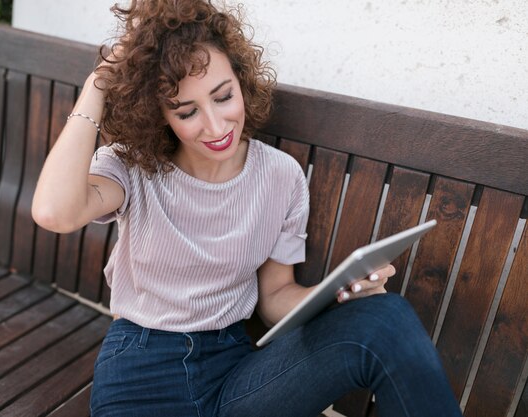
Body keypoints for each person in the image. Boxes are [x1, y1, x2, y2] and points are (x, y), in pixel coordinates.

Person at [31, 1, 463, 416]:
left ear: (241, 79)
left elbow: (275, 295)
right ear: (158, 112)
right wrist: (99, 84)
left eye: (223, 96)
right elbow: (55, 212)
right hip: (143, 365)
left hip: (236, 371)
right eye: (186, 111)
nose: (216, 127)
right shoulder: (132, 167)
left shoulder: (280, 176)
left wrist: (338, 295)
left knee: (383, 319)